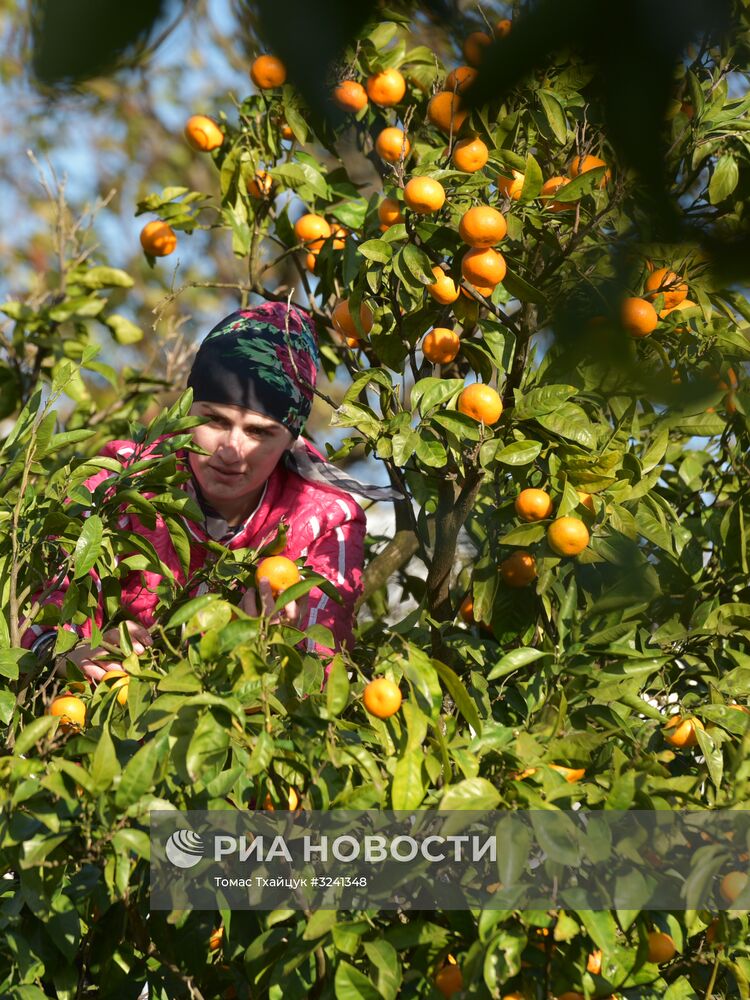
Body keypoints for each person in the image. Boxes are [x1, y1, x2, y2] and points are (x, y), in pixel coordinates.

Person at [20, 301, 401, 680]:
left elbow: (322, 671)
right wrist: (61, 651)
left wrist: (278, 648)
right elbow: (41, 604)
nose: (231, 450)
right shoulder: (122, 480)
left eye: (258, 432)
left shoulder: (325, 520)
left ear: (291, 439)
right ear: (188, 411)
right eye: (215, 420)